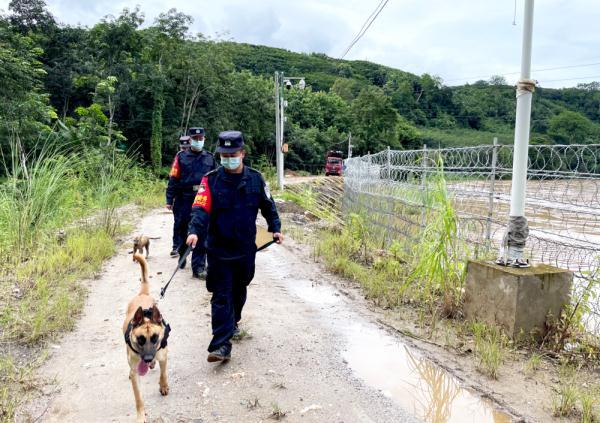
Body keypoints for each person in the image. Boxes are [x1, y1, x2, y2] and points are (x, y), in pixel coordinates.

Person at [186, 130, 283, 362]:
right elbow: (200, 209)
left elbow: (268, 205)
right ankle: (220, 344)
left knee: (240, 288)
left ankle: (234, 321)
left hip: (245, 249)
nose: (228, 158)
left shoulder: (256, 179)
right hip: (218, 249)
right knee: (221, 295)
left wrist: (275, 227)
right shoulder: (210, 180)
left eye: (233, 154)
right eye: (224, 154)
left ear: (242, 153)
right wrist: (193, 232)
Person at [166, 127, 217, 278]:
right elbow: (173, 179)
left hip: (203, 198)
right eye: (195, 138)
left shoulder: (209, 157)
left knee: (202, 230)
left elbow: (216, 178)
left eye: (201, 138)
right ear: (190, 140)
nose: (198, 141)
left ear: (204, 139)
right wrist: (169, 199)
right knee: (182, 229)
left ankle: (199, 267)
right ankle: (182, 254)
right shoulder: (181, 157)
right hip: (184, 198)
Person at [170, 136, 191, 256]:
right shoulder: (178, 157)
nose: (185, 150)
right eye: (183, 148)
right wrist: (169, 198)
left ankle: (190, 245)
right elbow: (172, 179)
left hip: (194, 196)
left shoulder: (200, 157)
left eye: (187, 148)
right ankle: (176, 246)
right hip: (180, 196)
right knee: (178, 222)